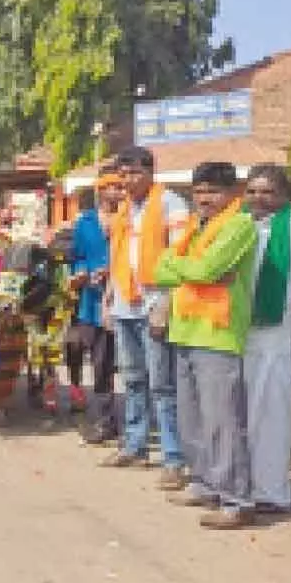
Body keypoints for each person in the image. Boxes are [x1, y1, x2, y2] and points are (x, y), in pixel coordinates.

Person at [152, 161, 257, 529]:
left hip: (218, 332)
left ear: (231, 194)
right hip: (184, 329)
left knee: (222, 421)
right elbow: (159, 269)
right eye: (198, 192)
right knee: (191, 417)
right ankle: (203, 482)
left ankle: (236, 499)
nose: (204, 199)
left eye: (212, 191)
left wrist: (185, 266)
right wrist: (191, 267)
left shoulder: (240, 225)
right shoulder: (196, 228)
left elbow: (205, 270)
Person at [103, 146, 190, 491]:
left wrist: (166, 303)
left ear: (151, 172)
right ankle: (135, 446)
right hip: (125, 303)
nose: (127, 180)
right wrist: (110, 298)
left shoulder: (171, 204)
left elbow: (180, 256)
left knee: (162, 384)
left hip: (155, 302)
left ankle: (174, 458)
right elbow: (120, 255)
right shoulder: (125, 208)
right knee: (132, 378)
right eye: (123, 175)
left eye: (134, 173)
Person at [242, 164, 291, 514]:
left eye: (268, 191)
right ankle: (243, 486)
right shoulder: (239, 224)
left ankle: (272, 492)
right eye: (253, 190)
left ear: (284, 196)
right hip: (237, 335)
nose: (259, 198)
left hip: (275, 338)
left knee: (270, 417)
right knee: (242, 416)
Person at [68, 182, 116, 445]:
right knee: (98, 364)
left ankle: (127, 427)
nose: (116, 192)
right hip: (91, 303)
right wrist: (82, 270)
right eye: (111, 187)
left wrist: (111, 270)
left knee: (123, 367)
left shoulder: (130, 219)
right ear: (100, 190)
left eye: (120, 187)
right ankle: (106, 422)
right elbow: (76, 256)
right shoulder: (84, 222)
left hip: (126, 302)